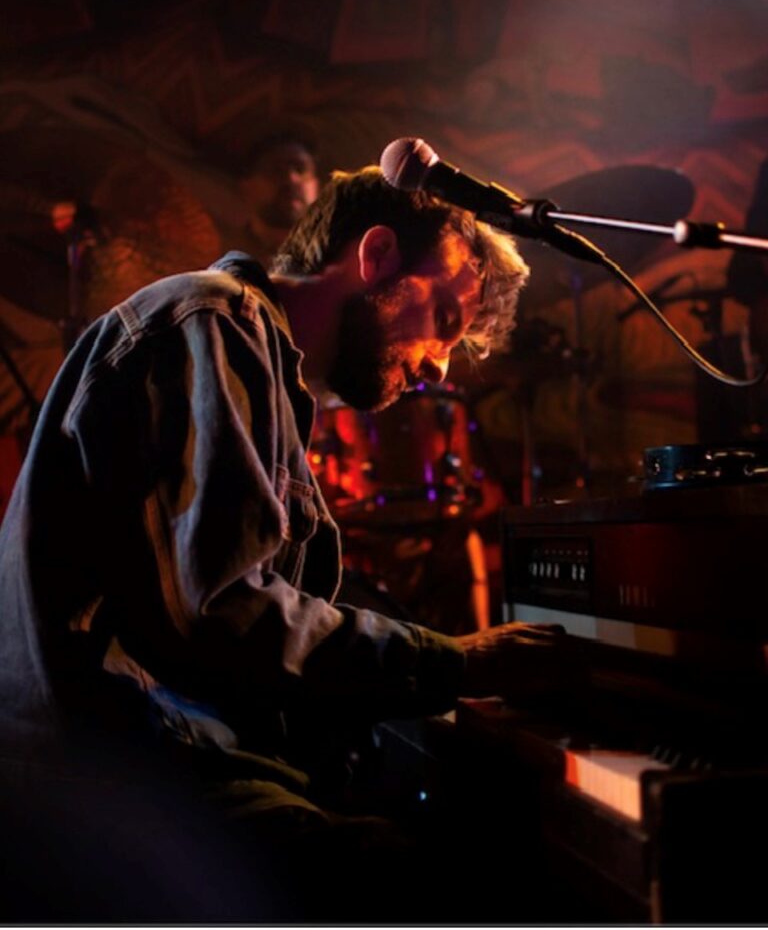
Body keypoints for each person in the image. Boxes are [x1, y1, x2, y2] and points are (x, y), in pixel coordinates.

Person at [0, 166, 562, 920]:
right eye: (445, 322)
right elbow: (224, 609)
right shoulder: (213, 321)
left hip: (163, 756)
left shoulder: (262, 369)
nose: (435, 366)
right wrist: (453, 661)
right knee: (450, 884)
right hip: (117, 777)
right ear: (379, 255)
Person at [231, 129, 321, 265]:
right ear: (247, 189)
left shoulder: (346, 257)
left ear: (316, 186)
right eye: (275, 170)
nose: (291, 179)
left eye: (300, 169)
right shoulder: (223, 266)